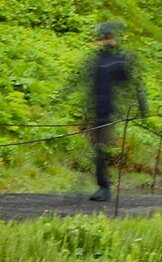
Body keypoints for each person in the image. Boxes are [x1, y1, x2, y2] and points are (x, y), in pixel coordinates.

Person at [64, 21, 149, 202]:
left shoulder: (117, 61)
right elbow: (80, 78)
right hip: (96, 110)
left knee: (99, 149)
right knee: (95, 149)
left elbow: (131, 82)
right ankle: (97, 185)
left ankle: (104, 187)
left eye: (107, 37)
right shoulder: (98, 60)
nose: (104, 41)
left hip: (107, 112)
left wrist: (142, 108)